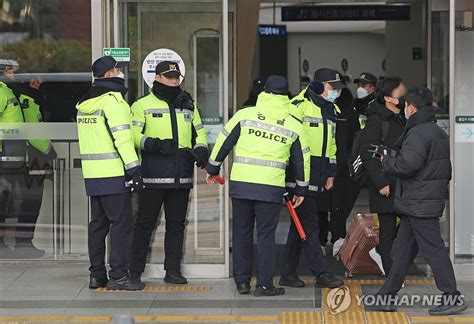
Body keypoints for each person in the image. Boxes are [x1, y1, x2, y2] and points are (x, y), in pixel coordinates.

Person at [207, 75, 310, 297]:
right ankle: (264, 285)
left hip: (242, 184)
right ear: (286, 95)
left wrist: (212, 169)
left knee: (242, 232)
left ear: (264, 92)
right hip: (270, 187)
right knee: (265, 236)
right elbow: (301, 160)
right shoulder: (294, 124)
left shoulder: (245, 115)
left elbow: (224, 141)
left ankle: (242, 282)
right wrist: (301, 189)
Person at [375, 87, 467, 316]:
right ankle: (387, 295)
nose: (404, 109)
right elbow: (444, 169)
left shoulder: (417, 133)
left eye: (406, 106)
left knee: (434, 251)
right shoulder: (436, 131)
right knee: (402, 252)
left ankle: (452, 296)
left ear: (412, 108)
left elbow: (407, 166)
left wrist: (386, 161)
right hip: (420, 202)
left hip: (419, 204)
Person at [130, 61, 208, 286]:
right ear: (157, 78)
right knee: (145, 224)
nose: (175, 81)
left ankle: (172, 271)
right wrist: (154, 144)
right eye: (170, 77)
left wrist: (201, 148)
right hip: (153, 177)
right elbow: (133, 135)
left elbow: (199, 132)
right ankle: (134, 272)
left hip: (181, 177)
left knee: (176, 226)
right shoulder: (142, 104)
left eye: (177, 77)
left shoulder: (188, 105)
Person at [76, 55, 145, 291]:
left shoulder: (85, 104)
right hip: (114, 174)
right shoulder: (114, 102)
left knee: (98, 225)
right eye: (117, 69)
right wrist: (134, 169)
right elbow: (123, 139)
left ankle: (97, 276)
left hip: (93, 175)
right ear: (108, 75)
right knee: (121, 226)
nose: (121, 73)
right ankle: (118, 276)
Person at [280, 68, 344, 289]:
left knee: (299, 225)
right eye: (331, 87)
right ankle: (321, 273)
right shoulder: (297, 107)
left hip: (320, 172)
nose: (336, 92)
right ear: (317, 86)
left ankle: (287, 273)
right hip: (301, 173)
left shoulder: (331, 109)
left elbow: (332, 144)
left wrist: (331, 173)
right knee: (310, 224)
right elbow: (291, 144)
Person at [358, 76, 407, 276]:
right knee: (387, 229)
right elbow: (367, 152)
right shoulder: (377, 119)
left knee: (405, 227)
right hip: (386, 182)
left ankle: (386, 257)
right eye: (400, 93)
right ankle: (390, 269)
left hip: (403, 181)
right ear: (389, 98)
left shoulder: (405, 116)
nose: (405, 95)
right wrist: (380, 181)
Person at [13, 77, 57, 258]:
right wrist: (49, 150)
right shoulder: (28, 100)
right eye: (34, 77)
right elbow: (35, 132)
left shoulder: (20, 96)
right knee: (31, 202)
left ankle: (21, 242)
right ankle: (23, 243)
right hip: (31, 158)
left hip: (20, 157)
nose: (38, 81)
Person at [317, 85, 360, 256]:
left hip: (342, 170)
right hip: (321, 167)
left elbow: (356, 141)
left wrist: (350, 164)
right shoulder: (319, 110)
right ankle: (320, 239)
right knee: (319, 207)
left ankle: (338, 239)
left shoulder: (349, 113)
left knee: (338, 208)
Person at [0, 73, 26, 259]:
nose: (13, 74)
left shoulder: (5, 89)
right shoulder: (1, 91)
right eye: (9, 69)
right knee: (3, 197)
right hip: (4, 152)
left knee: (6, 197)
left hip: (9, 152)